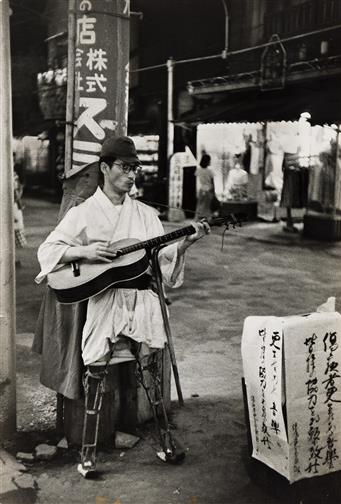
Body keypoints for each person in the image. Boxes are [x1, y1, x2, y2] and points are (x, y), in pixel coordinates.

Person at [35, 136, 210, 474]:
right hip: (105, 299)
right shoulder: (84, 213)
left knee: (151, 369)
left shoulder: (145, 215)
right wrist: (83, 251)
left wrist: (185, 244)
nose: (132, 175)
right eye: (125, 167)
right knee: (96, 370)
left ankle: (165, 442)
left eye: (135, 168)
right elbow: (48, 251)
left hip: (142, 298)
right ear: (105, 167)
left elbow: (161, 264)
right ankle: (88, 454)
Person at [195, 153, 215, 219]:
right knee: (207, 206)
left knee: (200, 204)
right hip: (208, 189)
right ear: (207, 161)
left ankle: (198, 218)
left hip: (201, 189)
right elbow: (212, 182)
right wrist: (213, 192)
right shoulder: (210, 171)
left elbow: (198, 180)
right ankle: (207, 219)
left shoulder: (198, 170)